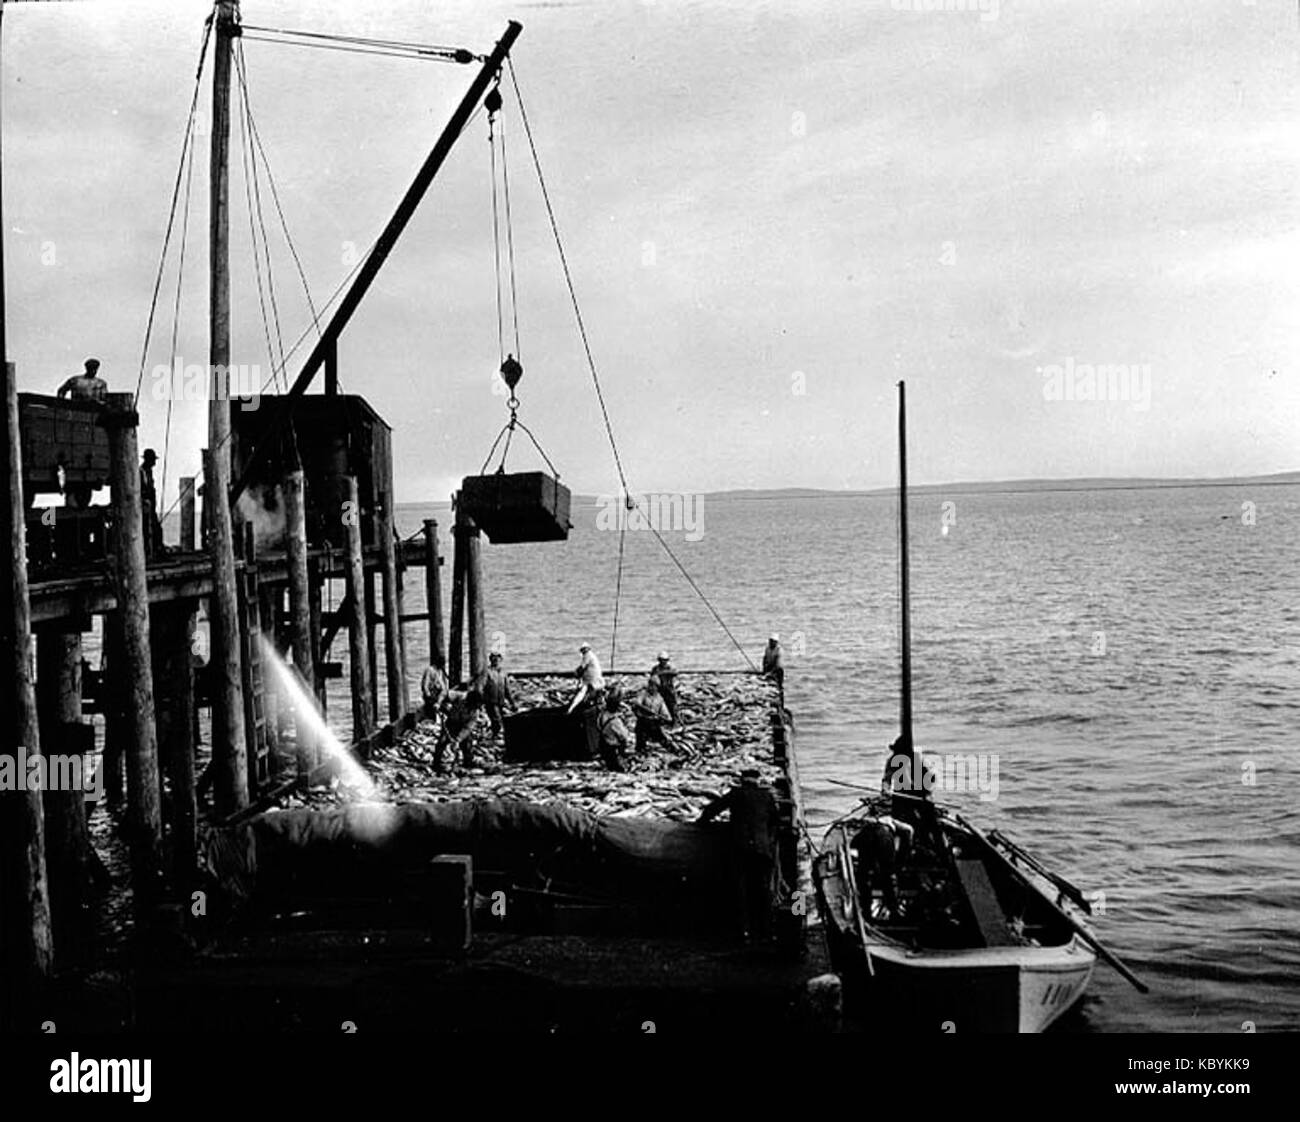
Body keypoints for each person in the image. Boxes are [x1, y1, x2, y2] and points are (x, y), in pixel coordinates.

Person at [698, 769, 780, 940]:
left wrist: (701, 824)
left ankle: (744, 931)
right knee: (763, 888)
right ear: (758, 781)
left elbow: (712, 810)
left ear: (742, 781)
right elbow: (775, 821)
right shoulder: (767, 796)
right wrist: (767, 839)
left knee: (740, 889)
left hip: (740, 848)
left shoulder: (736, 794)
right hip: (762, 850)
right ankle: (768, 930)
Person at [851, 815, 914, 919]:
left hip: (865, 836)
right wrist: (901, 861)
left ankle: (865, 910)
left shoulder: (867, 822)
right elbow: (909, 831)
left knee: (863, 875)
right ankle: (894, 910)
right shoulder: (895, 823)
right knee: (888, 874)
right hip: (883, 836)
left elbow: (854, 842)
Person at [433, 688, 484, 774]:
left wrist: (457, 740)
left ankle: (468, 762)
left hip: (463, 727)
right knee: (442, 742)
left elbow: (467, 728)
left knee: (467, 744)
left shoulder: (475, 713)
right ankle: (436, 764)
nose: (473, 708)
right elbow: (444, 693)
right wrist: (438, 703)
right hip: (451, 723)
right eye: (473, 705)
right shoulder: (460, 696)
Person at [475, 651, 516, 739]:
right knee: (496, 720)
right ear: (491, 660)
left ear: (501, 660)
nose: (496, 660)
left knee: (501, 720)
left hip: (501, 701)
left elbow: (507, 689)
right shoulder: (487, 672)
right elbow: (480, 687)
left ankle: (495, 736)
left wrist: (512, 703)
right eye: (494, 658)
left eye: (498, 658)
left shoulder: (503, 673)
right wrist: (481, 700)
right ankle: (497, 736)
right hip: (491, 702)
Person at [631, 677, 675, 753]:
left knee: (663, 740)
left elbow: (665, 713)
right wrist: (644, 710)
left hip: (653, 723)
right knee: (641, 744)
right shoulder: (643, 694)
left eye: (653, 686)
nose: (651, 687)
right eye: (650, 685)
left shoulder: (659, 698)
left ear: (657, 687)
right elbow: (637, 703)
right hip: (642, 722)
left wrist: (667, 717)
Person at [594, 686, 631, 772]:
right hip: (614, 750)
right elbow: (624, 736)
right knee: (644, 763)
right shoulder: (615, 721)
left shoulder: (602, 715)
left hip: (604, 747)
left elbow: (598, 726)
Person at [567, 641, 605, 715]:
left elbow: (582, 667)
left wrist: (576, 673)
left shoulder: (588, 655)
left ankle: (571, 709)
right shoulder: (591, 656)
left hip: (592, 679)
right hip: (593, 679)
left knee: (581, 693)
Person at [139, 448, 164, 559]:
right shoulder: (141, 472)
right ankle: (150, 552)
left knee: (156, 529)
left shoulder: (148, 471)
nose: (154, 462)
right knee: (148, 529)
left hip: (151, 507)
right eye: (153, 460)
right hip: (144, 506)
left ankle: (156, 550)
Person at [648, 651, 678, 722]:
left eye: (665, 660)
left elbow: (675, 672)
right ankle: (662, 720)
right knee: (659, 705)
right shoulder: (656, 668)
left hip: (669, 689)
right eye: (662, 660)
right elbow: (653, 677)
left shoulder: (669, 667)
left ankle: (674, 721)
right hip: (659, 689)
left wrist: (663, 673)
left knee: (672, 706)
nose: (664, 662)